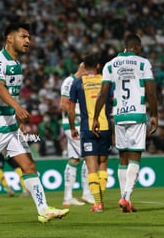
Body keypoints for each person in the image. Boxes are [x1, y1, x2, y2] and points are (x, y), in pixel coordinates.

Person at [0, 22, 69, 228]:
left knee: (29, 165)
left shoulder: (17, 64)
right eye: (23, 37)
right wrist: (18, 108)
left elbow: (12, 92)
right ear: (10, 38)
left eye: (28, 37)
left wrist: (18, 121)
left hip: (10, 127)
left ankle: (43, 209)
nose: (28, 41)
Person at [92, 33, 158, 213]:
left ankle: (125, 199)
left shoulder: (110, 65)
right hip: (137, 114)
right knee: (135, 156)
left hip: (119, 115)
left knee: (122, 158)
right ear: (136, 47)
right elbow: (151, 92)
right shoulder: (143, 63)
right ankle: (126, 197)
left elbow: (103, 93)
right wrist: (155, 114)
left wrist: (96, 117)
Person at [68, 52, 112, 212]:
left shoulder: (77, 83)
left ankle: (98, 203)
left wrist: (73, 128)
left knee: (91, 167)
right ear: (99, 66)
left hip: (87, 128)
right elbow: (112, 103)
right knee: (103, 165)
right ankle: (101, 201)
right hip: (105, 126)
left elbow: (71, 110)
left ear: (84, 66)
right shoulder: (106, 81)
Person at [60, 62, 94, 206]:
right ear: (83, 68)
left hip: (77, 124)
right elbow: (63, 104)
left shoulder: (82, 82)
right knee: (88, 156)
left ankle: (68, 197)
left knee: (74, 159)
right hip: (74, 124)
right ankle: (87, 193)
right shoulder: (69, 81)